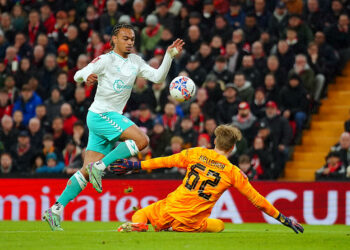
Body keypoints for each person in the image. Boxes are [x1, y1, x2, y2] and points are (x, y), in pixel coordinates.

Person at [42, 23, 184, 231]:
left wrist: (169, 55)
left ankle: (55, 210)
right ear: (114, 40)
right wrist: (85, 77)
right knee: (142, 140)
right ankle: (100, 166)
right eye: (125, 38)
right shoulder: (105, 60)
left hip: (106, 118)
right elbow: (77, 74)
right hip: (101, 115)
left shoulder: (135, 61)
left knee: (85, 173)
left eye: (132, 39)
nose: (129, 42)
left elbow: (158, 77)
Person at [111, 125, 304, 234]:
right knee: (219, 225)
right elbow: (257, 200)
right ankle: (176, 229)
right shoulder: (232, 171)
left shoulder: (195, 153)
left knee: (142, 213)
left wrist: (135, 165)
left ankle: (140, 225)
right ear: (232, 148)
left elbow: (166, 162)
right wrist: (283, 219)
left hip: (170, 208)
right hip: (192, 222)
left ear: (215, 142)